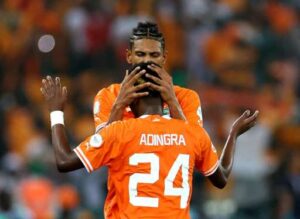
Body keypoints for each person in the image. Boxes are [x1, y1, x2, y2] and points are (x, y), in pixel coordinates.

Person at [40, 75, 258, 219]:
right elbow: (221, 178)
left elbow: (64, 160)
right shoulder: (192, 132)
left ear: (132, 100)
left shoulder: (119, 131)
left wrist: (56, 111)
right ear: (164, 102)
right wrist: (233, 135)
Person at [93, 21, 203, 132]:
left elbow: (197, 145)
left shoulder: (186, 97)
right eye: (140, 54)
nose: (147, 60)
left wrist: (172, 102)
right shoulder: (108, 96)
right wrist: (119, 106)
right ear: (129, 56)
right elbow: (100, 146)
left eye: (154, 55)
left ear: (164, 57)